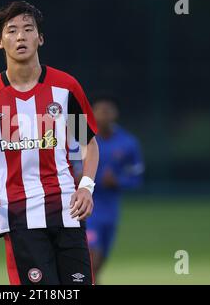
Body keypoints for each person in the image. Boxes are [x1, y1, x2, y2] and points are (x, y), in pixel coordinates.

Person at [0, 1, 99, 285]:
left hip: (67, 212)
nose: (20, 36)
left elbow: (88, 143)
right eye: (11, 31)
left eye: (28, 29)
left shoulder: (65, 88)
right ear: (0, 42)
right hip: (19, 217)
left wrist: (86, 187)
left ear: (40, 38)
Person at [73, 95, 144, 284]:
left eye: (108, 110)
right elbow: (65, 167)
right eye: (100, 110)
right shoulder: (81, 140)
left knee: (98, 264)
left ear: (115, 113)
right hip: (87, 208)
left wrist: (118, 181)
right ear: (92, 113)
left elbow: (136, 178)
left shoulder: (128, 143)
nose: (104, 115)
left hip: (111, 211)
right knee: (91, 257)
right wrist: (78, 178)